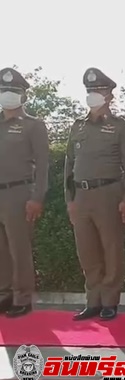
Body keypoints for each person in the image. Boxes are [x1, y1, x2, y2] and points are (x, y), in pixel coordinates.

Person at [64, 68, 125, 321]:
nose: (94, 95)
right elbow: (68, 165)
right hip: (81, 196)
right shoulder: (77, 127)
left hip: (109, 193)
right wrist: (69, 200)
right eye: (90, 91)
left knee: (111, 249)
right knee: (87, 251)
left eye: (99, 90)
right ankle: (92, 301)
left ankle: (109, 301)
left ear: (109, 95)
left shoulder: (120, 127)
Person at [0, 67, 49, 318]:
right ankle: (4, 294)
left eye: (13, 91)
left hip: (19, 193)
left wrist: (36, 197)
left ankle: (22, 297)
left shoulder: (33, 125)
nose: (7, 95)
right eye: (3, 90)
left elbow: (42, 166)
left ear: (23, 96)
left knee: (19, 248)